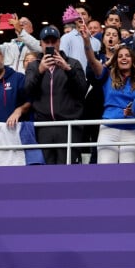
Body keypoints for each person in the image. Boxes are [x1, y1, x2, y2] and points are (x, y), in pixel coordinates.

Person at [25, 26, 88, 165]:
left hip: (68, 125)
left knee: (69, 171)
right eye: (47, 42)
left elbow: (82, 91)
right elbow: (28, 91)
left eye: (53, 41)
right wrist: (40, 71)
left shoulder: (73, 63)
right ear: (41, 43)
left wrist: (67, 69)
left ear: (59, 42)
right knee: (44, 172)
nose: (50, 45)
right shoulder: (34, 66)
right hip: (44, 126)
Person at [81, 23, 135, 164]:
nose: (124, 58)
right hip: (109, 128)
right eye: (120, 56)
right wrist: (86, 42)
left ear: (132, 60)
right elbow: (92, 60)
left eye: (127, 55)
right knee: (105, 172)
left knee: (129, 173)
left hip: (131, 130)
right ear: (116, 60)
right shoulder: (107, 76)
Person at [0, 44, 31, 127]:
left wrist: (19, 110)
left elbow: (30, 101)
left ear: (2, 56)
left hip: (12, 130)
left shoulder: (18, 78)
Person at [60, 2, 101, 73]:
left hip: (92, 81)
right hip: (73, 80)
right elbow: (62, 61)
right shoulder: (66, 38)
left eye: (83, 14)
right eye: (77, 14)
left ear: (89, 18)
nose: (80, 16)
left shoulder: (96, 42)